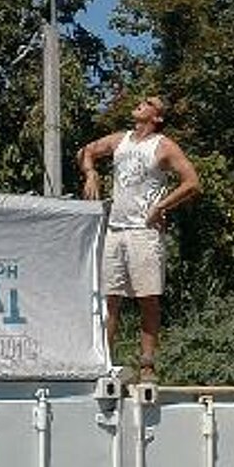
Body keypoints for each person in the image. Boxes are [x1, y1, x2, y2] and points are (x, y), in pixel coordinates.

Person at [77, 96, 200, 381]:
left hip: (144, 231)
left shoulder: (163, 146)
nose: (141, 103)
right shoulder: (120, 140)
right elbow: (86, 151)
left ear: (157, 117)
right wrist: (91, 173)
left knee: (148, 299)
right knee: (110, 299)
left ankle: (147, 364)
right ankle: (103, 363)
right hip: (115, 229)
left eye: (149, 102)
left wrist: (162, 206)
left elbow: (192, 182)